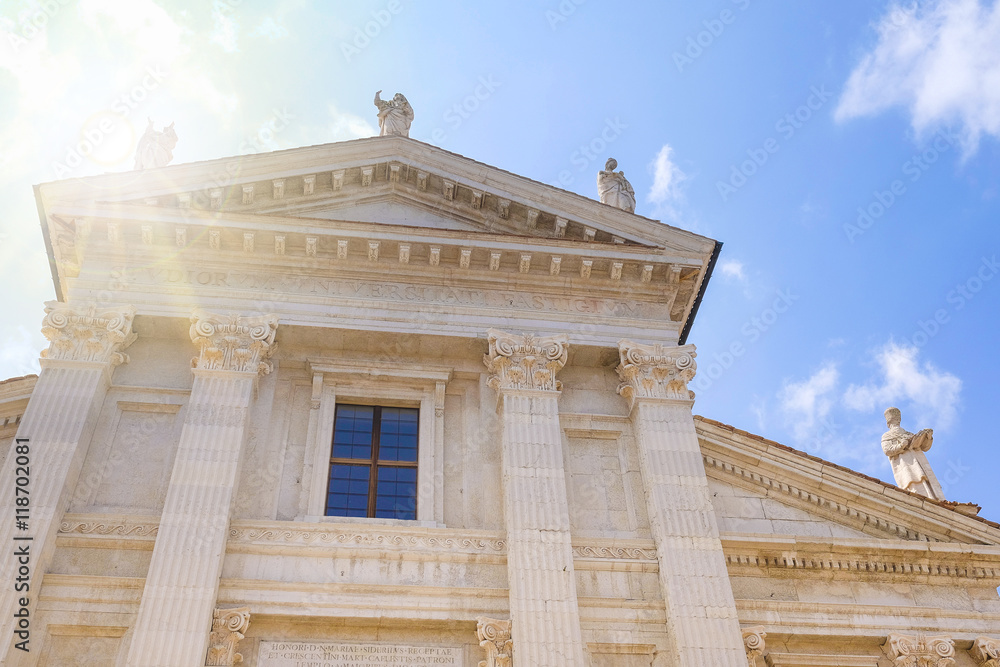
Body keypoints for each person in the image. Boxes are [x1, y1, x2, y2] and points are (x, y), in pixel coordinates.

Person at [881, 407, 944, 500]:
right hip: (905, 464)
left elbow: (924, 447)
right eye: (894, 420)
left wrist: (928, 437)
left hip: (920, 462)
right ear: (889, 423)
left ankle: (933, 498)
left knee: (925, 480)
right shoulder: (887, 436)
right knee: (912, 482)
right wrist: (901, 445)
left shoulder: (908, 434)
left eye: (897, 420)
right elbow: (887, 450)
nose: (896, 422)